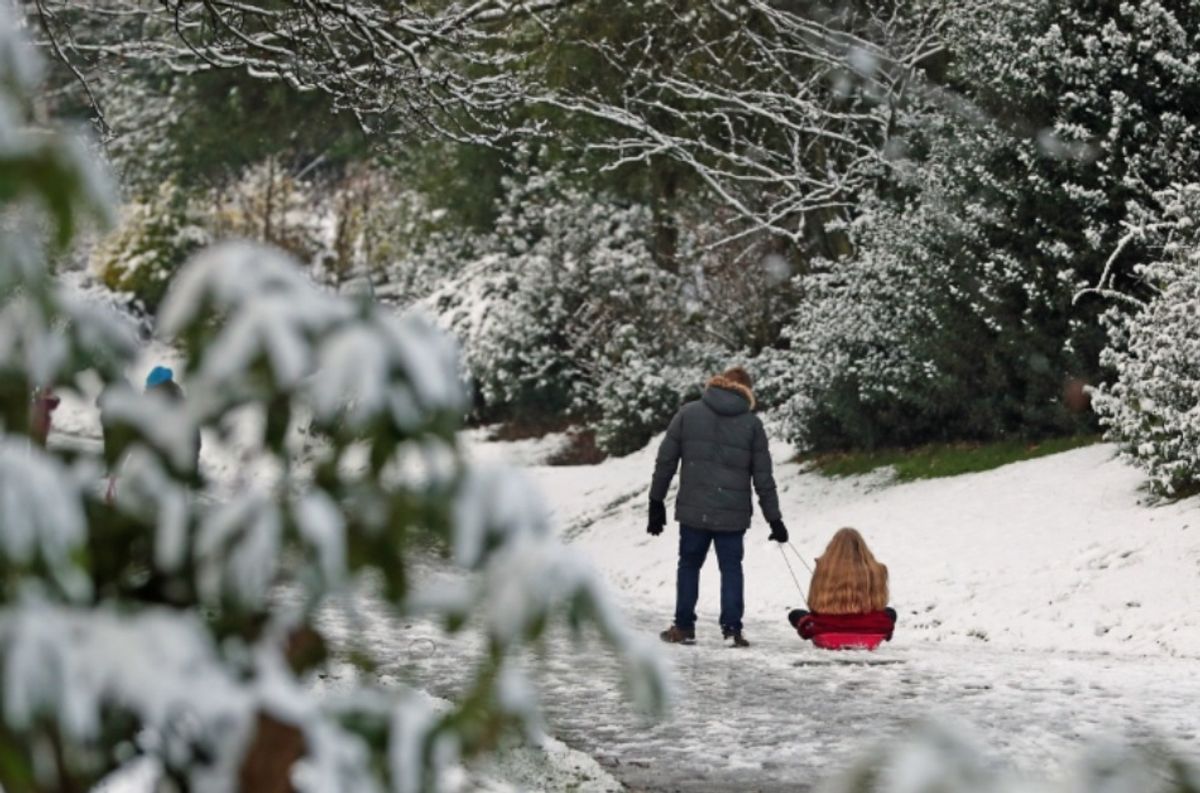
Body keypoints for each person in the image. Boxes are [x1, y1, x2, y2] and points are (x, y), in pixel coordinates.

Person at [648, 366, 788, 648]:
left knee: (688, 565)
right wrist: (775, 520)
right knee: (731, 568)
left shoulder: (688, 413)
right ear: (747, 390)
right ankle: (731, 630)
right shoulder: (751, 424)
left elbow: (666, 461)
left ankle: (684, 627)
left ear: (718, 383)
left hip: (693, 510)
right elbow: (763, 477)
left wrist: (656, 502)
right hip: (732, 514)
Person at [788, 527, 897, 650]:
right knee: (890, 612)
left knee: (795, 615)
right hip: (872, 627)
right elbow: (880, 604)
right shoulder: (878, 569)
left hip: (826, 627)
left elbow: (815, 604)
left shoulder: (824, 567)